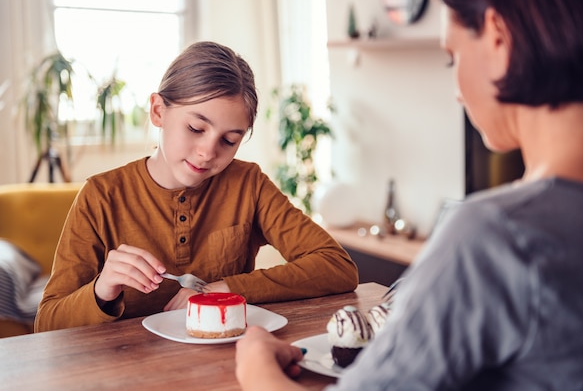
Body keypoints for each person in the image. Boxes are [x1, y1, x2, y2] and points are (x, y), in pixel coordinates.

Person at [234, 0, 583, 389]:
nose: (457, 92)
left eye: (453, 56)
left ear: (499, 39)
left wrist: (255, 368)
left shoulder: (497, 237)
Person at [35, 41, 358, 332]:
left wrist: (223, 288)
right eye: (195, 128)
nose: (208, 152)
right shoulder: (101, 196)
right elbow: (47, 323)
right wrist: (101, 290)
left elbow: (337, 266)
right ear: (158, 111)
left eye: (229, 141)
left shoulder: (248, 184)